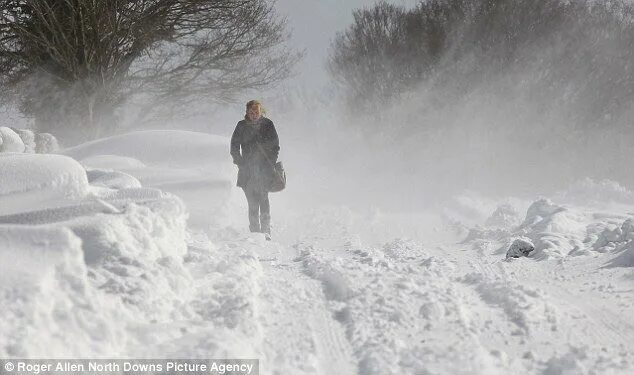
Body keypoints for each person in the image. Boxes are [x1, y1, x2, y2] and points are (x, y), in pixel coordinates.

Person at [230, 100, 280, 240]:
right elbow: (234, 145)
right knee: (252, 201)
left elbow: (275, 146)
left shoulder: (268, 124)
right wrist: (240, 162)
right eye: (251, 112)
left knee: (263, 199)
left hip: (264, 168)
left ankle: (265, 231)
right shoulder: (241, 126)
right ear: (246, 112)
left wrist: (270, 162)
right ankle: (254, 232)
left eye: (256, 112)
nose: (253, 115)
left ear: (261, 111)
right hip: (247, 170)